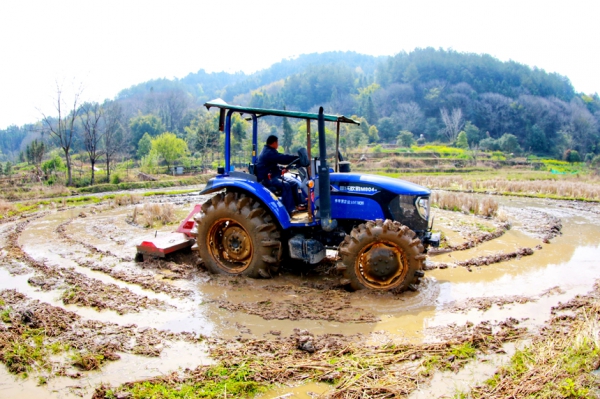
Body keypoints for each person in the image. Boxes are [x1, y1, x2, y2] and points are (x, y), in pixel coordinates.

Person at [256, 135, 306, 214]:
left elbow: (273, 165)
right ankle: (290, 209)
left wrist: (281, 169)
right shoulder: (268, 152)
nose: (278, 144)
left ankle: (300, 204)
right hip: (267, 179)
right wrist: (297, 158)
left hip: (273, 175)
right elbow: (282, 158)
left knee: (294, 183)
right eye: (277, 142)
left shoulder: (269, 151)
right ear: (274, 142)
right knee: (286, 185)